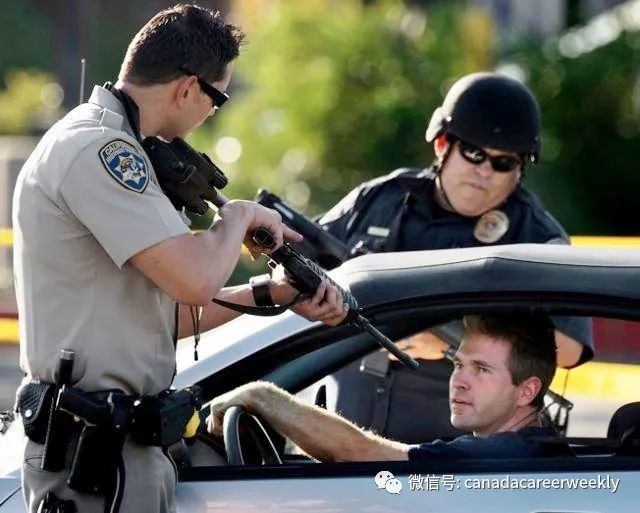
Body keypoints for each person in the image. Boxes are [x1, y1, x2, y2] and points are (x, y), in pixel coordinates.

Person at [12, 5, 346, 513]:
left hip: (124, 446)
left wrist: (271, 293)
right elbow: (193, 279)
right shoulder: (101, 150)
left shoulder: (124, 150)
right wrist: (235, 219)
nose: (213, 113)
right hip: (94, 454)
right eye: (218, 99)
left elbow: (161, 316)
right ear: (188, 88)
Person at [308, 72, 592, 443]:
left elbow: (568, 350)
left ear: (520, 168)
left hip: (451, 461)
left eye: (503, 162)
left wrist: (454, 341)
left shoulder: (536, 239)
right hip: (341, 441)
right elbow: (301, 262)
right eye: (473, 153)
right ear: (443, 144)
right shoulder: (380, 200)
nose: (484, 171)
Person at [208, 314, 561, 461]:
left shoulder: (500, 457)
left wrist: (263, 396)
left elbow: (362, 453)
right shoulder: (526, 448)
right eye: (458, 364)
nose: (459, 380)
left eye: (481, 369)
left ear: (527, 391)